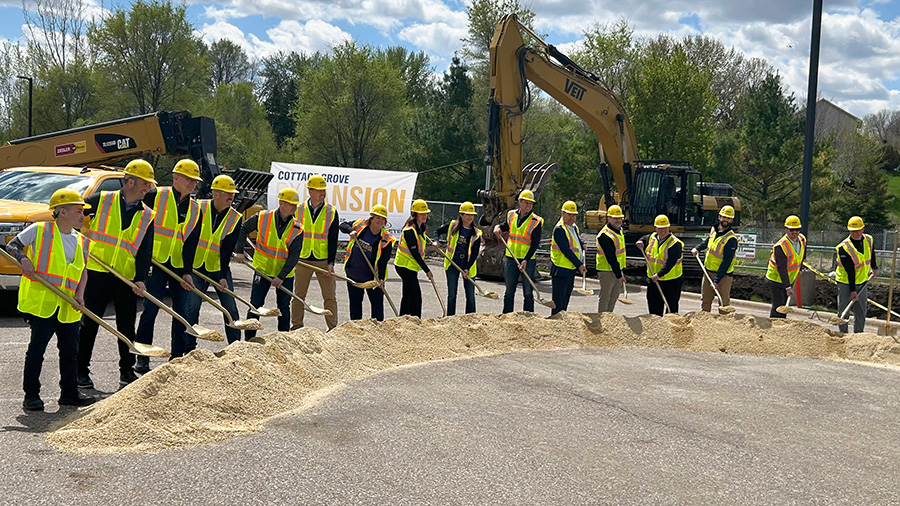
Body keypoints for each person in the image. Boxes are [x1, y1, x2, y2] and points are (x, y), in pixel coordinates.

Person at [7, 189, 96, 410]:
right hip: (43, 303)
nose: (82, 216)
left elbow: (83, 271)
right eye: (78, 211)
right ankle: (31, 395)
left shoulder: (82, 241)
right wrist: (24, 259)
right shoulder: (40, 231)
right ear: (62, 212)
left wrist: (80, 295)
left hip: (68, 305)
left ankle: (69, 393)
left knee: (70, 352)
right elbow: (11, 246)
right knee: (37, 350)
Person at [78, 159, 155, 389]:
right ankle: (81, 371)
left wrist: (140, 278)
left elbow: (144, 250)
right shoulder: (99, 201)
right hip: (97, 271)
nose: (147, 188)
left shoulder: (146, 215)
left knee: (126, 326)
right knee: (90, 323)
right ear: (130, 181)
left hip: (125, 277)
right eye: (144, 183)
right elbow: (71, 220)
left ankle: (126, 370)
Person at [134, 159, 202, 372]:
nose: (192, 184)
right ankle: (142, 355)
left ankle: (177, 355)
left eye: (195, 181)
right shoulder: (156, 196)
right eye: (189, 180)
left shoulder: (195, 208)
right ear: (176, 178)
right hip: (155, 262)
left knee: (181, 312)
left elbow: (191, 243)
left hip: (178, 266)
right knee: (150, 309)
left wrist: (188, 272)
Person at [182, 175, 243, 351]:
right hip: (195, 267)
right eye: (227, 194)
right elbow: (189, 238)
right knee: (192, 306)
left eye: (232, 194)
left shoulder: (234, 217)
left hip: (217, 268)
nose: (231, 197)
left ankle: (236, 348)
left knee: (230, 307)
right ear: (215, 194)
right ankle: (189, 348)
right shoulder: (198, 208)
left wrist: (223, 276)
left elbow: (227, 249)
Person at [236, 188, 303, 339]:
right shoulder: (263, 217)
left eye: (295, 205)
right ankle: (249, 339)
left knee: (283, 308)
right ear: (281, 203)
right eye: (291, 204)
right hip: (262, 270)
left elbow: (294, 257)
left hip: (285, 275)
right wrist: (240, 250)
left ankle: (283, 339)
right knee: (255, 305)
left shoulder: (297, 229)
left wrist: (280, 277)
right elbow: (243, 228)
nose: (294, 207)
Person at [291, 175, 339, 330]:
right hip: (302, 259)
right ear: (310, 191)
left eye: (323, 190)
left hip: (323, 260)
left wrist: (331, 263)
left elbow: (333, 240)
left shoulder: (331, 211)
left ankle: (333, 328)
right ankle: (297, 327)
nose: (322, 193)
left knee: (330, 297)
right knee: (298, 295)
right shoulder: (298, 209)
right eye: (319, 190)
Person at [339, 204, 396, 321]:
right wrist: (351, 231)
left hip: (373, 278)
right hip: (354, 274)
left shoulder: (386, 238)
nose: (380, 221)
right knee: (355, 305)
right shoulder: (360, 225)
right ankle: (356, 329)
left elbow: (383, 260)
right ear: (372, 218)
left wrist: (380, 278)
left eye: (382, 219)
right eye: (377, 218)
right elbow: (342, 225)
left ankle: (377, 330)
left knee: (377, 306)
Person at [494, 190, 543, 313]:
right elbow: (506, 226)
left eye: (530, 203)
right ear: (519, 203)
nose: (528, 206)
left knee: (527, 291)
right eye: (526, 203)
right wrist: (498, 227)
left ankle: (528, 316)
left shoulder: (536, 221)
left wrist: (526, 260)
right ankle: (507, 315)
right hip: (511, 257)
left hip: (528, 260)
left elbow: (534, 244)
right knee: (509, 290)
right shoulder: (511, 215)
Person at [434, 202, 482, 315]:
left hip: (468, 265)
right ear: (461, 215)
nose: (470, 217)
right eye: (467, 215)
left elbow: (474, 253)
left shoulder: (476, 233)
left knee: (470, 295)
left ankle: (470, 318)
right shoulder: (452, 226)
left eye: (472, 215)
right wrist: (436, 241)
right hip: (452, 263)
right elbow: (437, 231)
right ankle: (450, 317)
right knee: (452, 294)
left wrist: (467, 268)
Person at [691, 205, 738, 312]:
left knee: (724, 304)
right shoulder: (714, 230)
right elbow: (708, 241)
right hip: (708, 272)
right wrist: (698, 248)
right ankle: (705, 322)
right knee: (705, 301)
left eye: (728, 218)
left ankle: (724, 325)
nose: (726, 220)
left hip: (723, 276)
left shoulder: (731, 239)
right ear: (719, 217)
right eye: (724, 217)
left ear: (732, 220)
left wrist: (717, 280)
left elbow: (726, 262)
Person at [835, 216, 877, 333]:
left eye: (858, 230)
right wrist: (852, 291)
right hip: (845, 282)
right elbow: (850, 271)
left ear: (863, 229)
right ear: (849, 231)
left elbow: (871, 253)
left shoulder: (868, 240)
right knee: (844, 310)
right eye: (853, 231)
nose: (856, 233)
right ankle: (842, 335)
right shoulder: (844, 248)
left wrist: (874, 267)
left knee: (861, 310)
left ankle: (858, 335)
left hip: (862, 280)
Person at [636, 215, 684, 316]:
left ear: (669, 227)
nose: (663, 231)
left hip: (671, 281)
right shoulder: (652, 238)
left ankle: (670, 329)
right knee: (654, 307)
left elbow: (670, 263)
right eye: (660, 228)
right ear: (656, 228)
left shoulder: (675, 244)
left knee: (671, 309)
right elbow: (645, 238)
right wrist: (640, 241)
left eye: (665, 228)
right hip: (654, 280)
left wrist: (659, 274)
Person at [394, 199, 433, 317]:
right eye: (421, 214)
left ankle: (403, 317)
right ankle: (415, 319)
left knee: (408, 294)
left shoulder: (419, 228)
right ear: (415, 214)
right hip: (404, 265)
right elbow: (415, 253)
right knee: (415, 295)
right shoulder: (409, 230)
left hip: (411, 266)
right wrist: (427, 270)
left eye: (425, 213)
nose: (424, 216)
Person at [766, 215, 807, 318]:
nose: (795, 233)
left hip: (790, 277)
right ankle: (775, 326)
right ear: (786, 230)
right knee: (778, 306)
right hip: (776, 279)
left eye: (797, 230)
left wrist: (800, 268)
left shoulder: (802, 240)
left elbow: (801, 255)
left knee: (784, 306)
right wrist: (787, 287)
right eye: (792, 230)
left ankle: (782, 326)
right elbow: (781, 268)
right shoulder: (781, 246)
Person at [549, 201, 586, 315]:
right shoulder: (559, 229)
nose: (572, 217)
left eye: (574, 215)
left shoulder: (574, 227)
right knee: (558, 301)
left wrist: (582, 243)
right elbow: (566, 249)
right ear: (563, 214)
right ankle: (555, 321)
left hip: (570, 269)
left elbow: (575, 240)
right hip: (560, 269)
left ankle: (563, 322)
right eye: (569, 214)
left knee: (565, 300)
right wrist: (579, 265)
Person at [595, 204, 626, 312]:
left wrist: (619, 271)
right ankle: (602, 321)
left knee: (614, 297)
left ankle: (609, 319)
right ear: (609, 218)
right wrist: (619, 275)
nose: (618, 220)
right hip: (606, 270)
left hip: (617, 269)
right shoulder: (605, 235)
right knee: (605, 298)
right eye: (615, 218)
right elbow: (611, 257)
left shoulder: (619, 230)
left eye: (619, 218)